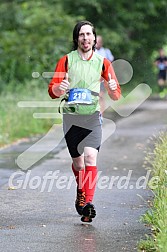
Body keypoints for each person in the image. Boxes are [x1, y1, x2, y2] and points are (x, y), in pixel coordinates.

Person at [48, 20, 121, 223]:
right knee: (79, 165)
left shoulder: (103, 62)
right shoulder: (66, 60)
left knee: (90, 158)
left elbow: (116, 96)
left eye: (89, 34)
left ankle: (88, 203)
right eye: (82, 35)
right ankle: (81, 191)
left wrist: (113, 86)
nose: (86, 38)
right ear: (76, 38)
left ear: (94, 38)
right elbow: (52, 92)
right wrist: (59, 88)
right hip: (71, 119)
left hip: (92, 117)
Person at [95, 35, 115, 114]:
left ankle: (101, 114)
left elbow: (111, 64)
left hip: (103, 77)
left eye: (99, 42)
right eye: (96, 42)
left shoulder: (106, 52)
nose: (97, 44)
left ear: (102, 43)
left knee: (100, 96)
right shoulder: (90, 52)